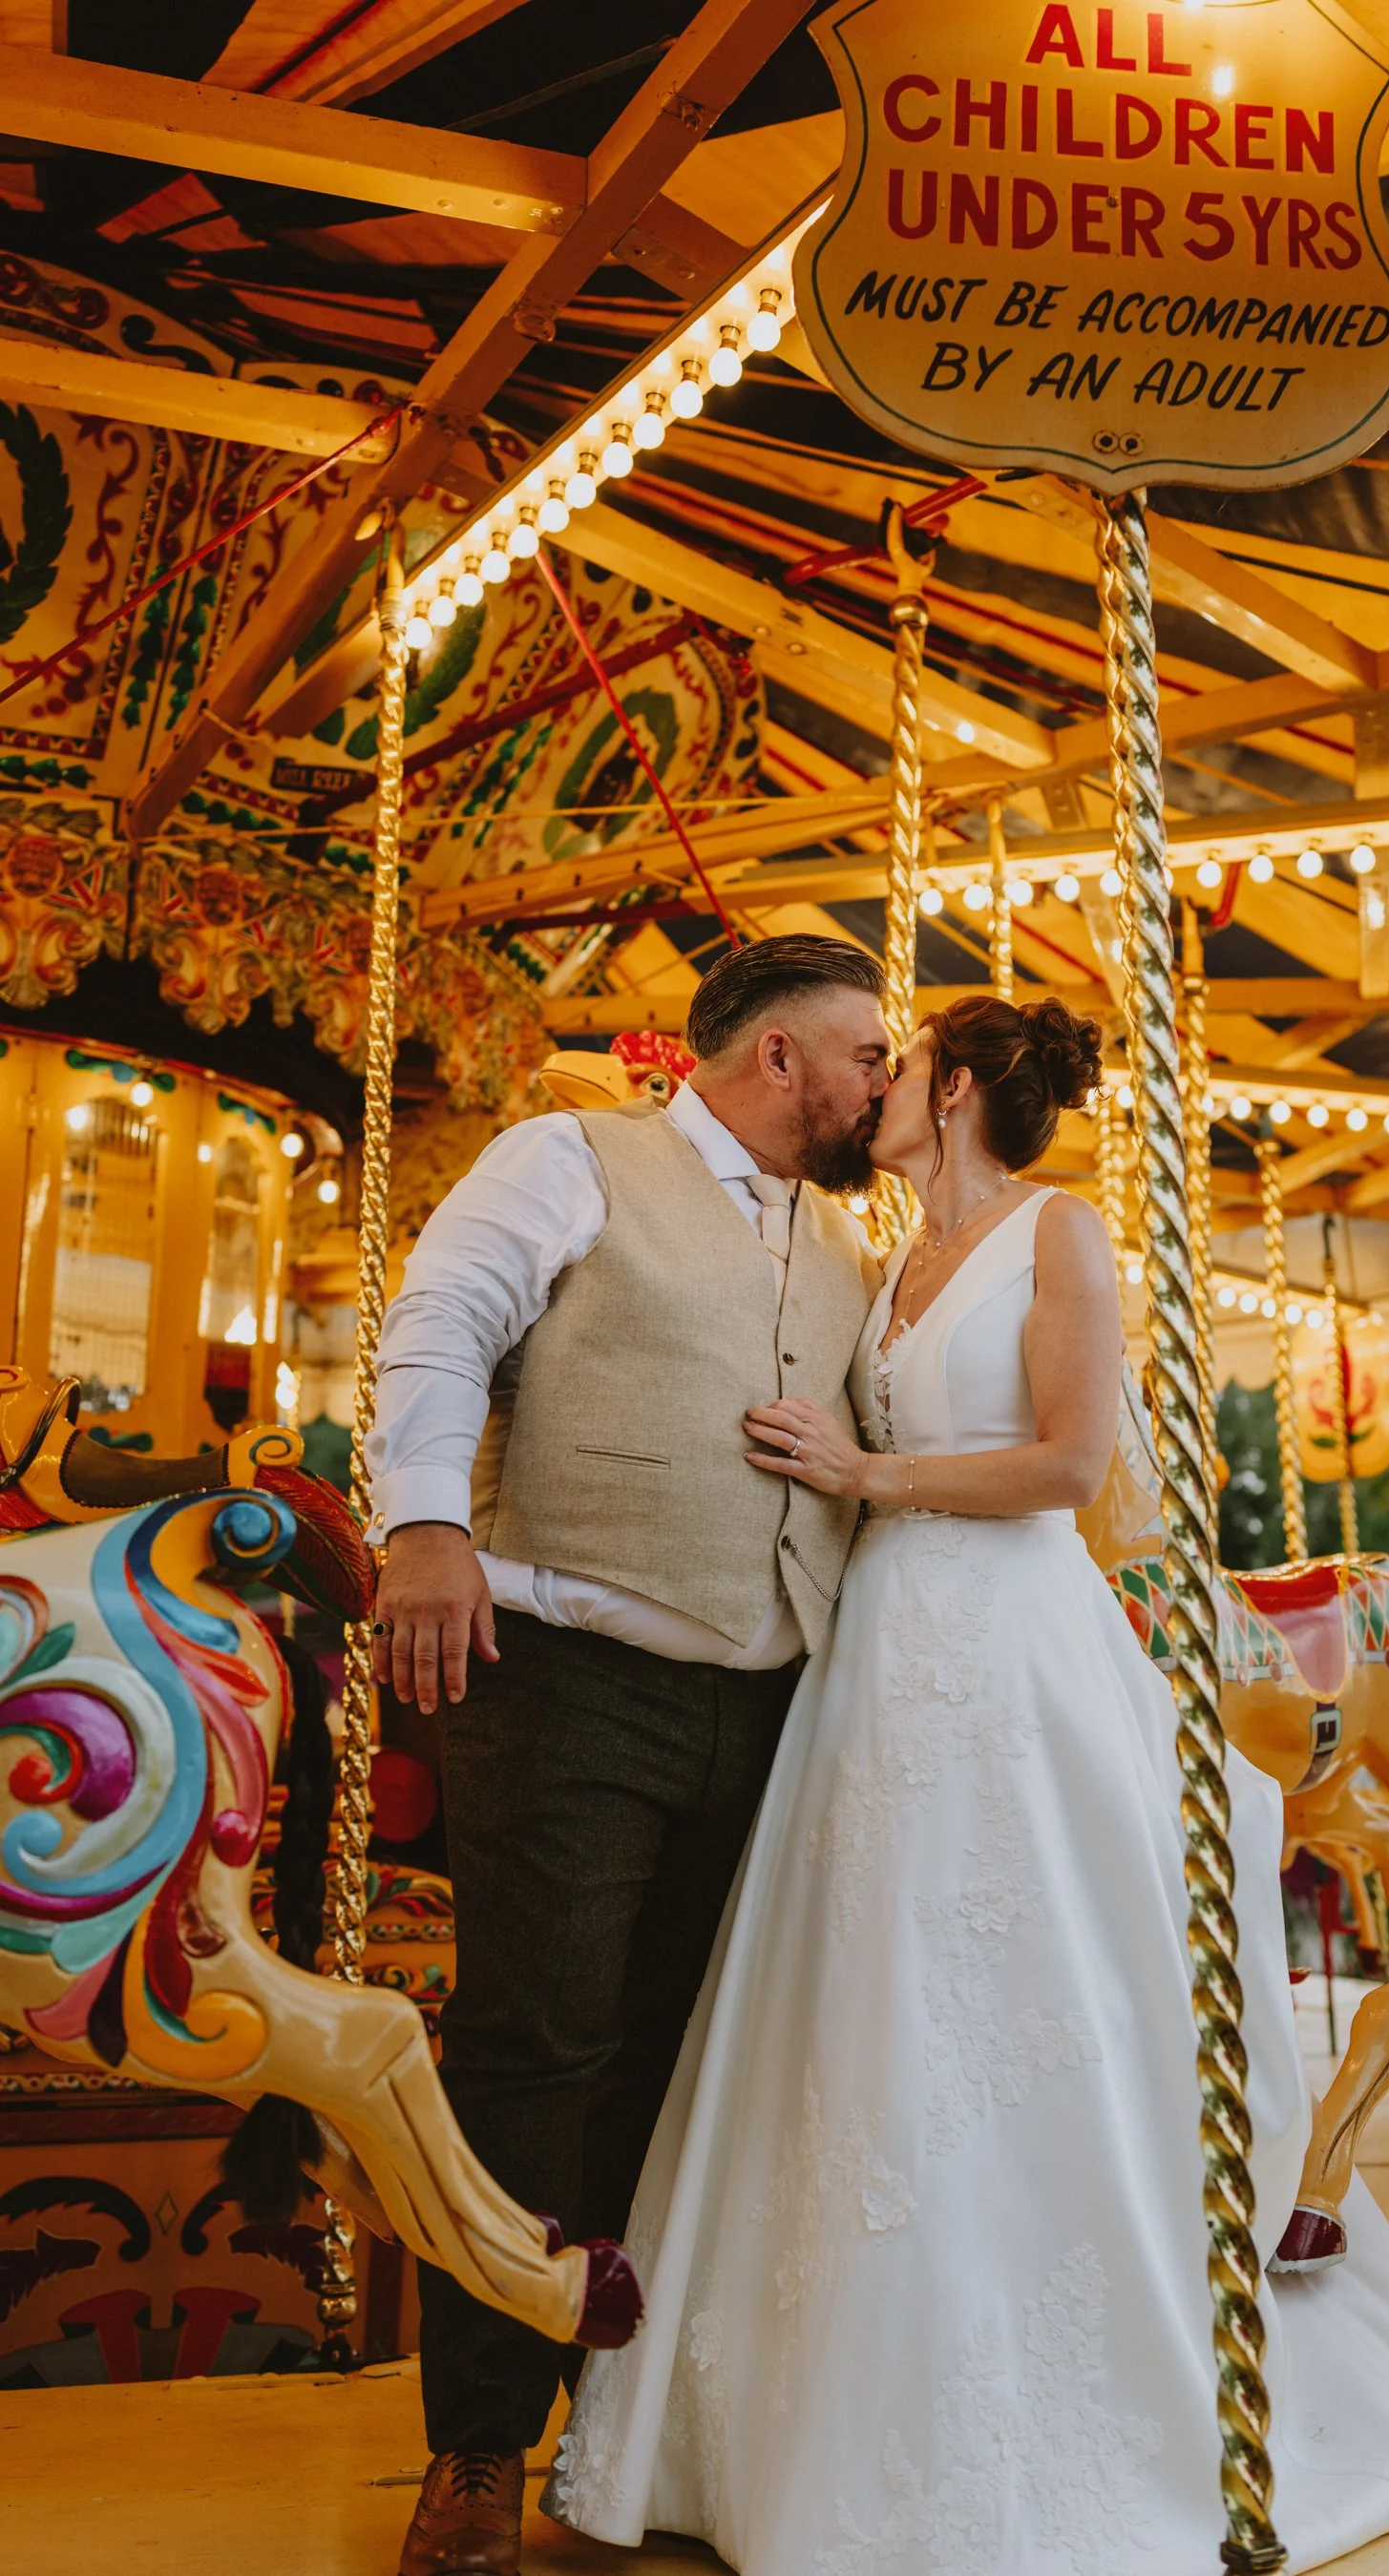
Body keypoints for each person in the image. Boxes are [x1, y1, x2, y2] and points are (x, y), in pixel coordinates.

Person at [547, 993, 1389, 2575]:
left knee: (1029, 1988)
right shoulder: (885, 1265)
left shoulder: (1060, 1236)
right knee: (856, 2000)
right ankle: (803, 2414)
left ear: (969, 1086)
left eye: (907, 1061)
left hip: (1007, 1636)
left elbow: (1070, 1462)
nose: (886, 1080)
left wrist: (868, 1473)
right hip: (877, 1650)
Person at [367, 935, 891, 2576]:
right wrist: (428, 1521)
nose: (888, 1079)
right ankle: (474, 2449)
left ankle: (628, 2419)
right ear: (781, 1058)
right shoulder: (575, 1155)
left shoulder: (849, 1245)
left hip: (773, 1696)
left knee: (686, 2069)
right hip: (574, 1671)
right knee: (541, 2044)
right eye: (867, 1051)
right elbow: (443, 1317)